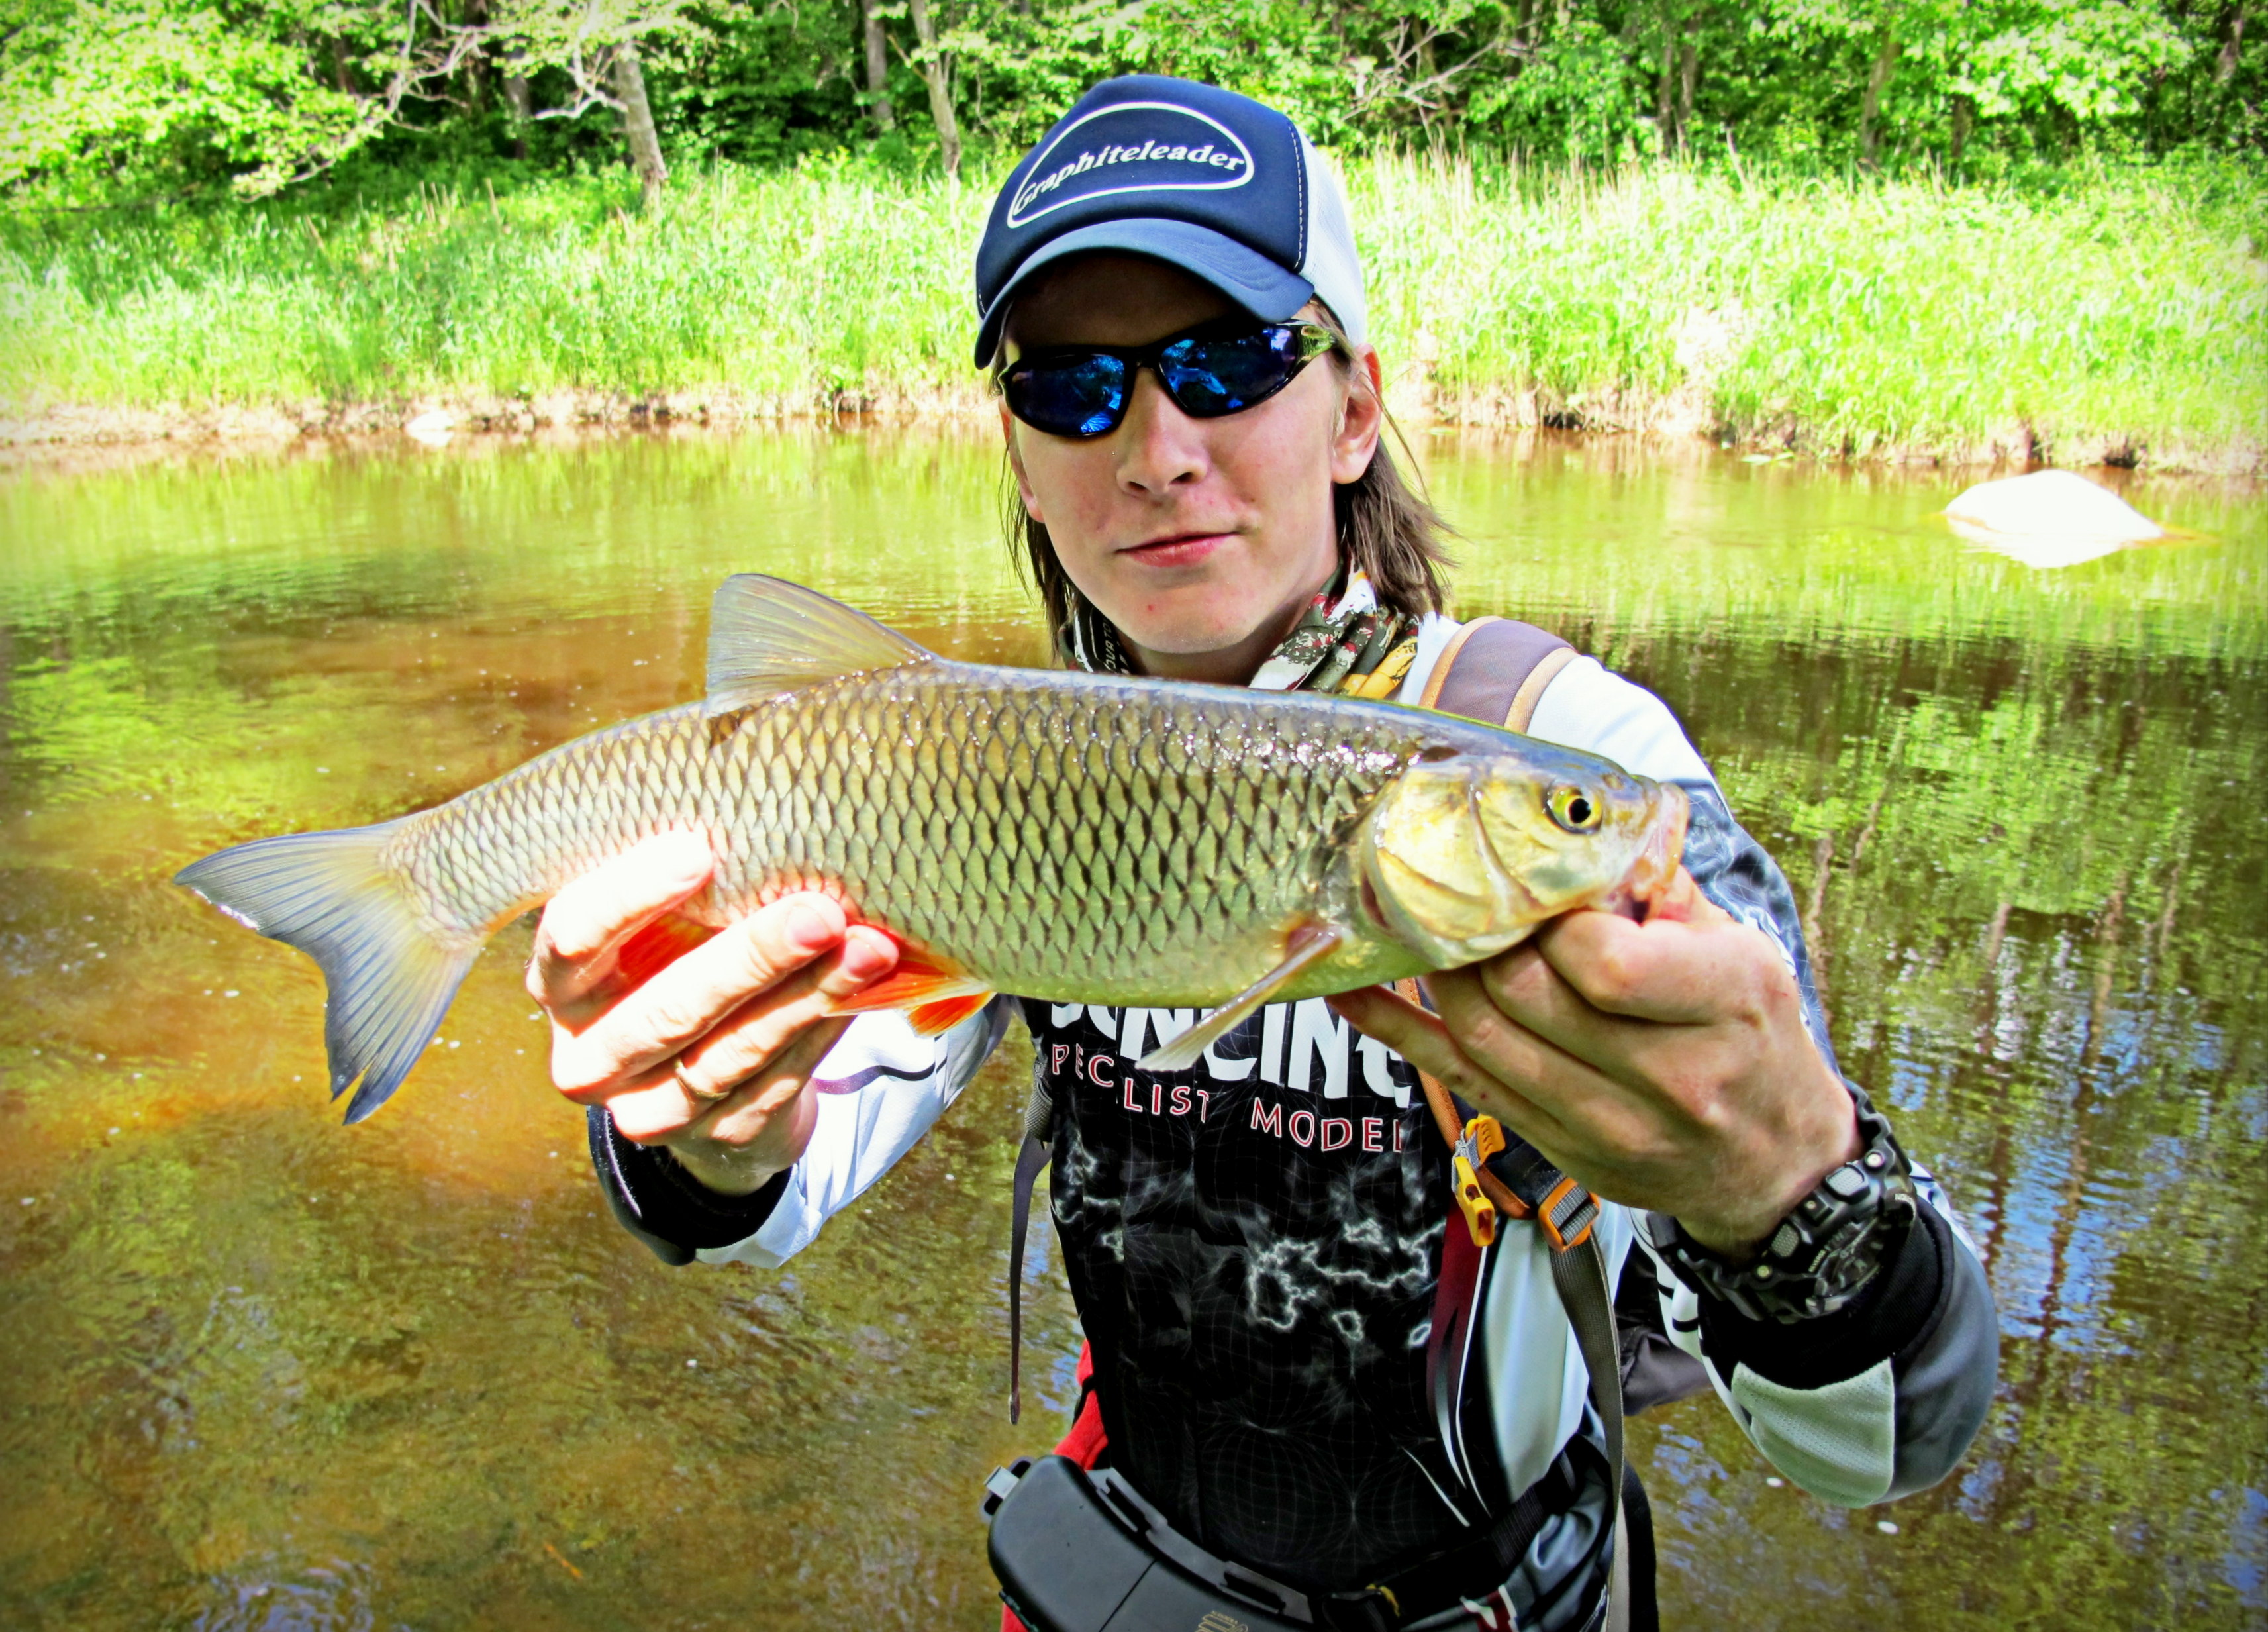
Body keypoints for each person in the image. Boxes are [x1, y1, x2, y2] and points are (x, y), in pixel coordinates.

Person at [536, 77, 1997, 1632]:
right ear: (1023, 462)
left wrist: (1782, 1186)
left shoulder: (1579, 758)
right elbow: (771, 1182)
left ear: (1355, 406)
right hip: (1129, 1572)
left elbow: (1884, 1445)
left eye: (1229, 361)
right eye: (1077, 390)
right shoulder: (981, 774)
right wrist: (708, 1125)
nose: (1159, 450)